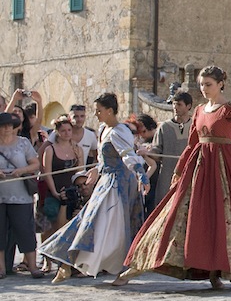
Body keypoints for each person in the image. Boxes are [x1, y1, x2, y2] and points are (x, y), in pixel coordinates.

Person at [115, 67, 231, 289]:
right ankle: (142, 264)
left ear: (220, 84)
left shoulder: (228, 108)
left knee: (221, 217)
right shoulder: (199, 110)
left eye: (208, 84)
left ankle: (215, 271)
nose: (204, 88)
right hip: (198, 168)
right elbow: (192, 144)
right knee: (179, 214)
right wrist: (179, 171)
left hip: (222, 169)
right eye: (201, 84)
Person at [42, 93, 148, 282]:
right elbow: (104, 159)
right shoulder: (103, 129)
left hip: (119, 186)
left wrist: (141, 175)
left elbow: (127, 156)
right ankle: (68, 263)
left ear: (109, 110)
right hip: (106, 182)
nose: (97, 114)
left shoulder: (119, 131)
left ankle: (125, 269)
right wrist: (96, 170)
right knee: (88, 222)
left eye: (99, 110)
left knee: (110, 227)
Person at [0, 111, 46, 279]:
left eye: (9, 126)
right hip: (0, 195)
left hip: (20, 196)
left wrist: (21, 170)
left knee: (25, 230)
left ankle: (33, 266)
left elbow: (35, 164)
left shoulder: (23, 143)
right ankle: (2, 268)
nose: (7, 129)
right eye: (3, 126)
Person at [39, 115, 84, 257]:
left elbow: (80, 172)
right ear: (57, 132)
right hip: (54, 189)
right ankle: (47, 257)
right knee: (50, 225)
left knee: (68, 223)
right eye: (63, 130)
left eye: (69, 130)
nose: (67, 133)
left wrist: (79, 158)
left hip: (71, 190)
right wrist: (54, 192)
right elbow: (47, 173)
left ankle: (64, 256)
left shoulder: (77, 148)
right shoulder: (50, 149)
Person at [144, 90, 193, 208]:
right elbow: (157, 152)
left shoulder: (195, 126)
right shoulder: (164, 128)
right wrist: (147, 153)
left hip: (189, 174)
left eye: (179, 104)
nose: (175, 107)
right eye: (174, 104)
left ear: (188, 106)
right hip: (167, 175)